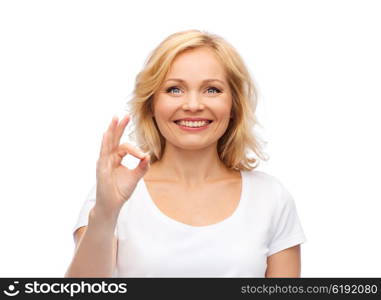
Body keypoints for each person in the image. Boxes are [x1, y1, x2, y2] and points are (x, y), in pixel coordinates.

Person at [65, 29, 307, 278]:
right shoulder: (112, 195)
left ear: (233, 105)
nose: (193, 105)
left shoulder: (270, 197)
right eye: (174, 90)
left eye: (212, 90)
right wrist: (106, 214)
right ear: (151, 105)